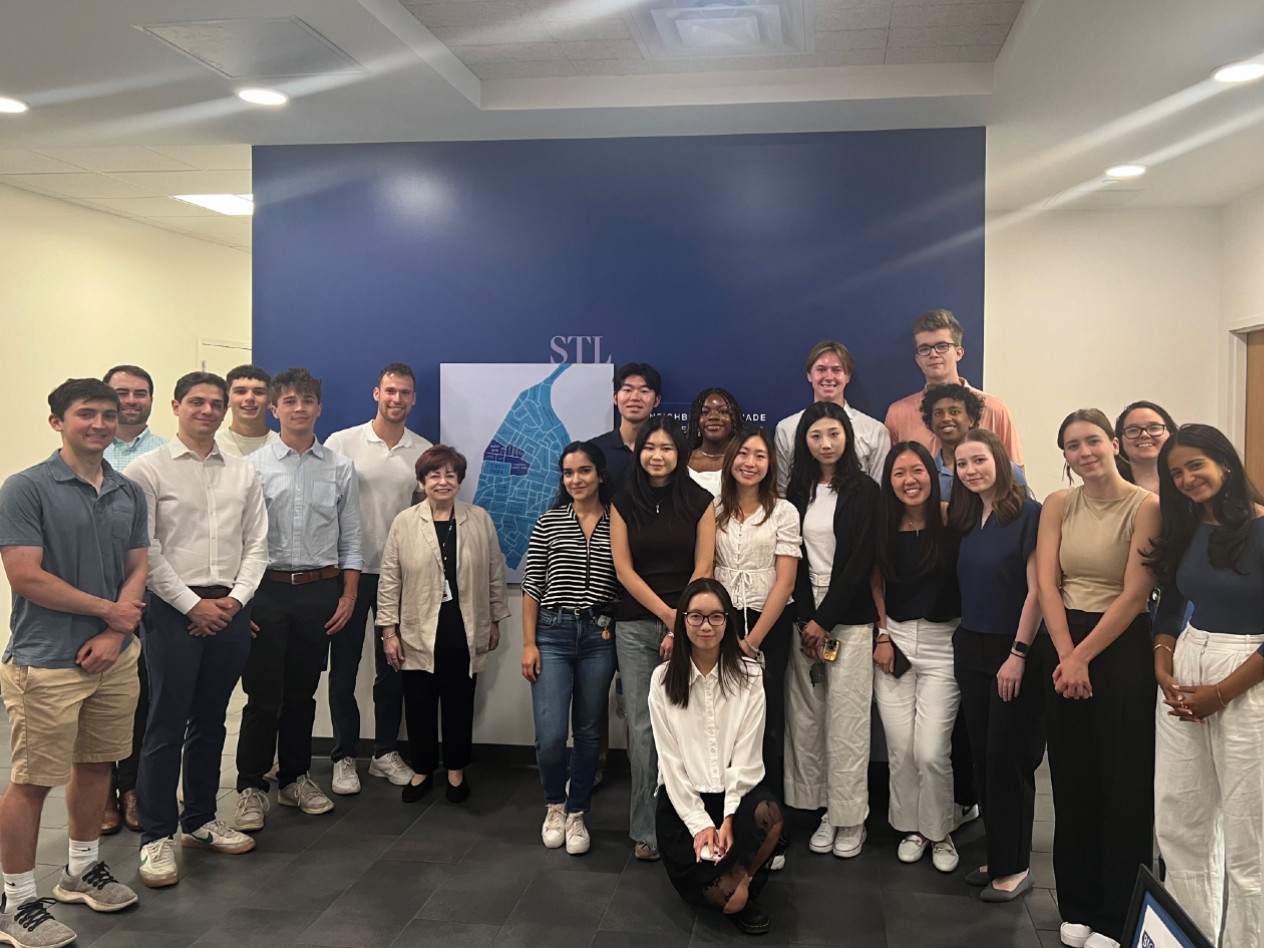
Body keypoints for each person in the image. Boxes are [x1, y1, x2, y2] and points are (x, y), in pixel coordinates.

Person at [0, 378, 146, 947]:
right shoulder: (26, 488)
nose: (101, 424)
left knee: (97, 764)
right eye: (87, 414)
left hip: (114, 656)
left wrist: (115, 629)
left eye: (109, 415)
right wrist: (110, 612)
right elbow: (26, 576)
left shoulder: (128, 491)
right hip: (47, 661)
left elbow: (139, 564)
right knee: (32, 781)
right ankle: (14, 902)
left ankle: (81, 869)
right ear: (58, 421)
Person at [124, 372, 267, 888]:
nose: (208, 411)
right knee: (166, 722)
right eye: (198, 402)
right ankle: (156, 836)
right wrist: (190, 605)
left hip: (230, 607)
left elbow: (257, 544)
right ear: (177, 406)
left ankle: (201, 820)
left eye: (216, 403)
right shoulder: (148, 469)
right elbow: (146, 548)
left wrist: (232, 601)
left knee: (211, 721)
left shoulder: (243, 471)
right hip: (169, 609)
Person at [1034, 409, 1160, 948]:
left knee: (1124, 785)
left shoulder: (1147, 505)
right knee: (1073, 778)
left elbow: (1135, 593)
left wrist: (1083, 656)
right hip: (1064, 645)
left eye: (1092, 441)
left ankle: (1115, 914)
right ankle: (1078, 901)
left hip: (1121, 644)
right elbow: (1046, 580)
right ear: (1064, 455)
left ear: (1113, 444)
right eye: (1072, 445)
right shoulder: (1060, 504)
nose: (1084, 452)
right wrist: (1067, 654)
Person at [1149, 424, 1264, 948]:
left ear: (1225, 462)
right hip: (1185, 665)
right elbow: (1170, 606)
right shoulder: (1186, 528)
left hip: (1247, 676)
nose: (1187, 478)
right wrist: (1163, 663)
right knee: (1181, 818)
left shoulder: (1262, 529)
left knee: (1248, 836)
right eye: (1176, 473)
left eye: (1196, 465)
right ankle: (1188, 937)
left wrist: (1220, 693)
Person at [234, 368, 362, 831]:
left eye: (307, 400)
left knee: (303, 694)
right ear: (275, 408)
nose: (299, 408)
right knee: (262, 695)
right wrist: (241, 600)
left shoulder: (340, 467)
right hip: (266, 591)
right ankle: (250, 786)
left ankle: (295, 777)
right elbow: (241, 539)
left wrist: (348, 594)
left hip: (319, 592)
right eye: (289, 401)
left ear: (319, 407)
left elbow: (352, 539)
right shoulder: (253, 467)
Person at [649, 579, 784, 937]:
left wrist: (726, 817)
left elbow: (747, 755)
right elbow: (671, 763)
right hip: (684, 802)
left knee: (768, 815)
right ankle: (735, 887)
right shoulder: (662, 680)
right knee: (731, 901)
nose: (706, 626)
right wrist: (699, 824)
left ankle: (741, 877)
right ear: (683, 622)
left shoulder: (750, 675)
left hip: (733, 794)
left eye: (715, 617)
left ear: (727, 621)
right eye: (695, 617)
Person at [323, 363, 432, 795]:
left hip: (400, 576)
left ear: (413, 399)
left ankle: (384, 751)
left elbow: (427, 517)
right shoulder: (342, 442)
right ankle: (343, 756)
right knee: (344, 668)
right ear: (376, 393)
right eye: (390, 391)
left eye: (405, 393)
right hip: (348, 573)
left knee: (394, 669)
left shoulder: (422, 450)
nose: (397, 399)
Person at [379, 445, 511, 803]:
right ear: (422, 481)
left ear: (459, 481)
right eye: (434, 475)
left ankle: (456, 770)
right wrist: (388, 631)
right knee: (419, 702)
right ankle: (422, 769)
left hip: (464, 627)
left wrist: (496, 617)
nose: (442, 481)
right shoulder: (405, 522)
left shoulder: (478, 518)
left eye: (450, 475)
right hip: (417, 627)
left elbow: (495, 572)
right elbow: (389, 579)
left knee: (459, 702)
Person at [610, 417, 716, 861]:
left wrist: (680, 624)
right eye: (650, 447)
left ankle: (691, 825)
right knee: (642, 727)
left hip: (693, 627)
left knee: (687, 724)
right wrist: (667, 616)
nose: (658, 455)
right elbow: (624, 569)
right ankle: (646, 829)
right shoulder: (622, 500)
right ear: (639, 452)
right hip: (636, 626)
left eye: (667, 448)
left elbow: (703, 565)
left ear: (681, 453)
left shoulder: (700, 500)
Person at [948, 428, 1043, 903]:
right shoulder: (968, 517)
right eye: (962, 464)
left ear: (1000, 460)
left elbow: (1038, 591)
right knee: (983, 759)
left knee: (1011, 760)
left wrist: (1019, 655)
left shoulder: (1028, 514)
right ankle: (999, 855)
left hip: (1014, 650)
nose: (970, 471)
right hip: (972, 647)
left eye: (978, 461)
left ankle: (1016, 867)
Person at [783, 402, 880, 859]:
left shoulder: (864, 490)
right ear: (805, 440)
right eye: (816, 435)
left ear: (847, 438)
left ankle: (850, 818)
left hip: (850, 621)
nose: (825, 443)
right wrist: (806, 619)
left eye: (833, 434)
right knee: (808, 720)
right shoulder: (796, 489)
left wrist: (826, 620)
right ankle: (821, 808)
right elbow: (792, 558)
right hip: (805, 621)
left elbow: (860, 563)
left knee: (847, 722)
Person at [520, 441, 618, 855]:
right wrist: (528, 643)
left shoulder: (620, 521)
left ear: (600, 474)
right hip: (553, 634)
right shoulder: (549, 521)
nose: (576, 479)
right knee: (550, 734)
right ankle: (554, 805)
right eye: (568, 473)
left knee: (590, 731)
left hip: (600, 637)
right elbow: (531, 586)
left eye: (584, 471)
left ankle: (577, 811)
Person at [870, 441, 962, 873]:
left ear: (932, 473)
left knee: (930, 750)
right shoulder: (884, 525)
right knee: (901, 747)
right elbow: (875, 585)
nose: (910, 481)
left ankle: (939, 831)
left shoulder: (952, 520)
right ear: (889, 481)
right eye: (899, 473)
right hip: (897, 641)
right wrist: (884, 634)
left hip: (945, 644)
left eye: (917, 471)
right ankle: (910, 827)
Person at [713, 427, 799, 855]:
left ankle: (768, 831)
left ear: (770, 465)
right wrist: (725, 635)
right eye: (743, 453)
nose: (750, 461)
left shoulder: (783, 511)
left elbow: (784, 583)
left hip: (768, 628)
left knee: (765, 727)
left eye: (760, 455)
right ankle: (724, 822)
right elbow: (706, 568)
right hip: (719, 627)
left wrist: (753, 641)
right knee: (725, 727)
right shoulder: (714, 509)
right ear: (731, 460)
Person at [100, 363, 166, 836]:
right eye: (121, 392)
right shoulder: (82, 451)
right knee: (96, 695)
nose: (130, 401)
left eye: (140, 393)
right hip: (92, 591)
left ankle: (133, 788)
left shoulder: (163, 453)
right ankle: (101, 790)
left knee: (143, 695)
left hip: (148, 591)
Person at [884, 309, 1023, 466]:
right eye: (925, 349)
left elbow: (1015, 473)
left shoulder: (993, 409)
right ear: (918, 359)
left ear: (959, 352)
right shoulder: (898, 414)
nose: (933, 354)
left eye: (942, 346)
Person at [775, 341, 890, 491]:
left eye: (836, 370)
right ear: (809, 375)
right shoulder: (786, 428)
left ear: (848, 376)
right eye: (821, 369)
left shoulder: (875, 430)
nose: (829, 377)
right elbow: (782, 491)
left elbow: (878, 492)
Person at [920, 383, 1026, 498]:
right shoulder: (927, 476)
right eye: (938, 413)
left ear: (971, 419)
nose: (946, 418)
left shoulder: (1006, 469)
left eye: (954, 412)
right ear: (930, 423)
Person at [591, 363, 662, 492]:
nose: (634, 397)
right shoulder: (594, 450)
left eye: (644, 391)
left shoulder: (666, 450)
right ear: (615, 398)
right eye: (627, 390)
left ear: (656, 400)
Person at [686, 387, 742, 497]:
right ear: (696, 419)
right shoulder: (683, 461)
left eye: (723, 411)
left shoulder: (744, 461)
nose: (713, 417)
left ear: (734, 419)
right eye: (705, 412)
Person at [215, 365, 281, 458]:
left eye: (258, 392)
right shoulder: (213, 445)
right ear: (227, 399)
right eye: (240, 391)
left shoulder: (282, 446)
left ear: (269, 400)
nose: (249, 398)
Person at [1114, 400, 1177, 494]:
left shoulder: (1187, 483)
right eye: (1133, 430)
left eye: (1154, 428)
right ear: (1119, 441)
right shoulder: (1109, 489)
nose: (1144, 435)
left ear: (1171, 434)